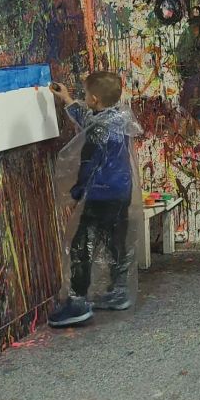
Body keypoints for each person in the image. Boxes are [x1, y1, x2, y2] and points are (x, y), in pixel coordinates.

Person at [48, 72, 136, 326]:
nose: (84, 98)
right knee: (115, 241)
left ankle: (77, 303)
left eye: (86, 94)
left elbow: (89, 163)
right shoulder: (120, 117)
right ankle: (119, 292)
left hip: (101, 194)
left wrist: (78, 190)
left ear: (95, 99)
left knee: (82, 245)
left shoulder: (99, 129)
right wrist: (68, 100)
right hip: (121, 191)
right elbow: (91, 120)